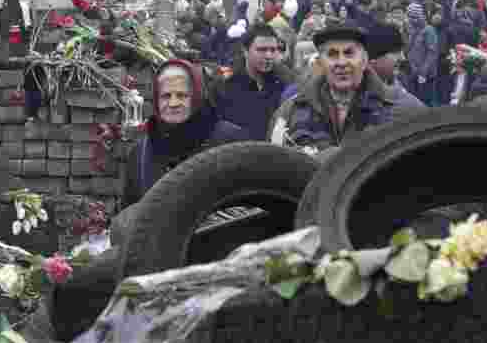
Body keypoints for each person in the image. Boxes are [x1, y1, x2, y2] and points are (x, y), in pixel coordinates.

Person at [268, 23, 426, 152]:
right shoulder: (290, 112)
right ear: (321, 63)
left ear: (364, 61)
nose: (341, 62)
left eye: (349, 53)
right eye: (332, 54)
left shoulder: (405, 110)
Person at [122, 59, 246, 208]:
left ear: (196, 98)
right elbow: (129, 215)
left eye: (182, 95)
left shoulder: (229, 141)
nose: (173, 103)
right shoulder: (141, 153)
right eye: (166, 96)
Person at [211, 23, 290, 141]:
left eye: (273, 50)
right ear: (245, 51)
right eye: (262, 50)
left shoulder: (284, 84)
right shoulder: (224, 87)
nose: (269, 55)